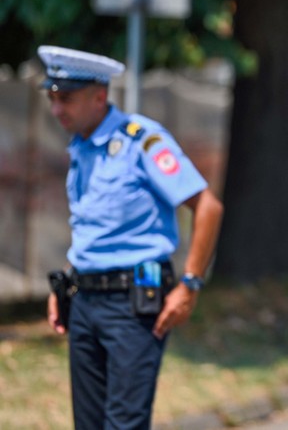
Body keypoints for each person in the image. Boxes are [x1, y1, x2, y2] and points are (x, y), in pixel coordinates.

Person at [40, 46, 224, 430]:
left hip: (133, 303)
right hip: (84, 299)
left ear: (100, 96)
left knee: (123, 424)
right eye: (52, 98)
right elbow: (96, 228)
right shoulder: (81, 146)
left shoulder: (142, 141)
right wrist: (66, 281)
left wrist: (189, 285)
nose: (57, 110)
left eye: (66, 99)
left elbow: (208, 207)